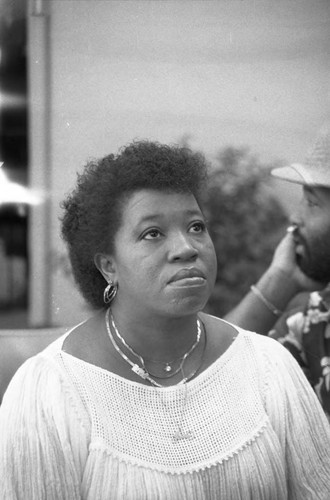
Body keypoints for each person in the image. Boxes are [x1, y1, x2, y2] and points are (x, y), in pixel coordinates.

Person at [0, 140, 330, 500]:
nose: (187, 247)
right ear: (108, 265)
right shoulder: (51, 391)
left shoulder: (269, 367)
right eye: (152, 233)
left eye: (196, 226)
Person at [225, 127, 330, 421]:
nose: (295, 217)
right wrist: (281, 280)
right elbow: (210, 379)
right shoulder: (314, 323)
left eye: (312, 203)